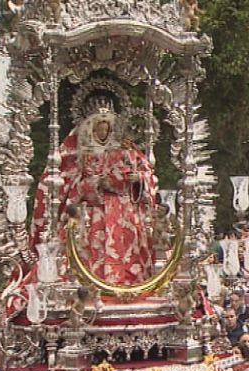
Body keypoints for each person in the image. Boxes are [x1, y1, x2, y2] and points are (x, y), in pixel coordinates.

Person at [30, 105, 156, 285]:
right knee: (89, 245)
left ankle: (129, 283)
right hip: (95, 210)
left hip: (124, 210)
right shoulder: (84, 155)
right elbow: (74, 183)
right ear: (93, 130)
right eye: (99, 129)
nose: (103, 133)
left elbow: (147, 174)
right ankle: (89, 284)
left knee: (129, 243)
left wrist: (138, 180)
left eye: (106, 129)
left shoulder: (126, 152)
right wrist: (96, 184)